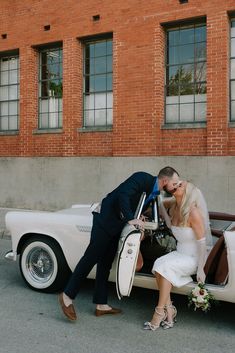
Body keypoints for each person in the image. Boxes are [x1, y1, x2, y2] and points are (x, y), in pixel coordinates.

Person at [59, 166, 180, 322]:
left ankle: (101, 304)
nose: (175, 186)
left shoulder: (155, 192)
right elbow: (123, 194)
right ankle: (67, 296)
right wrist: (131, 218)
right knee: (91, 257)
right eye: (174, 183)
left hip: (117, 224)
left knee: (106, 262)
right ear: (165, 180)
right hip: (105, 218)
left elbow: (135, 202)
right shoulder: (142, 178)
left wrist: (139, 215)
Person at [144, 181, 213, 331]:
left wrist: (201, 268)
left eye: (181, 185)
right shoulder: (174, 206)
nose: (177, 185)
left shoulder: (193, 212)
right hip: (179, 253)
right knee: (158, 264)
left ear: (188, 192)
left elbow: (202, 243)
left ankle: (159, 311)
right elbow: (165, 216)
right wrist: (158, 201)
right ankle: (170, 310)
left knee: (165, 266)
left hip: (194, 258)